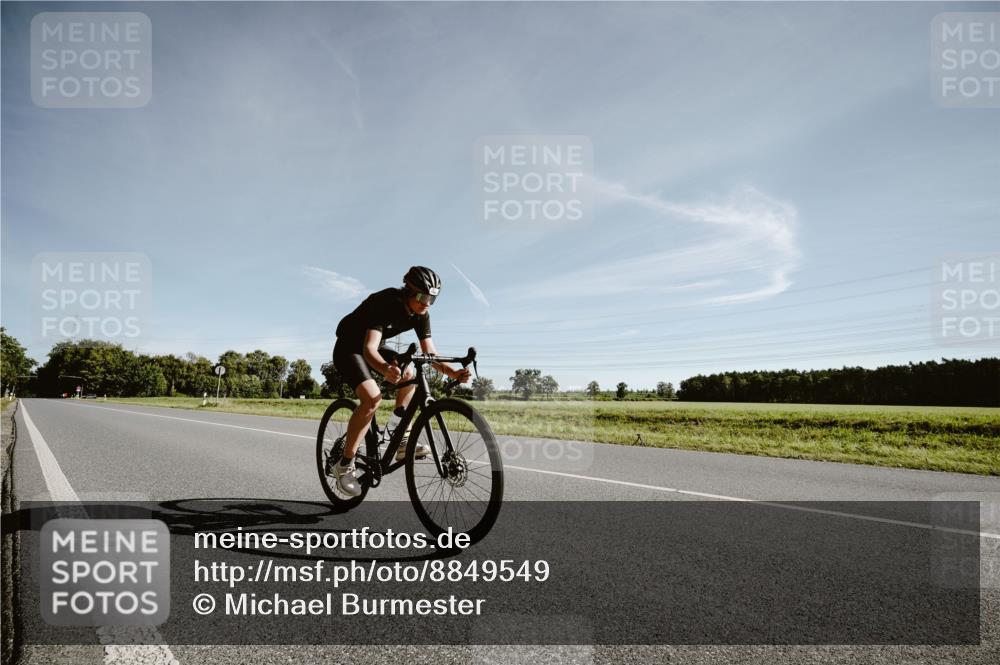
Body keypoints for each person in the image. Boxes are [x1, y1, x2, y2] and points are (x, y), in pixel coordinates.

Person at [329, 266, 472, 496]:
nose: (427, 303)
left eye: (432, 299)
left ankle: (401, 439)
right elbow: (368, 349)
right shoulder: (386, 302)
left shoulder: (422, 315)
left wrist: (453, 373)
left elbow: (429, 355)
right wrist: (386, 369)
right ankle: (344, 464)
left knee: (410, 375)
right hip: (349, 347)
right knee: (372, 398)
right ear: (408, 291)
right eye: (423, 297)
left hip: (372, 347)